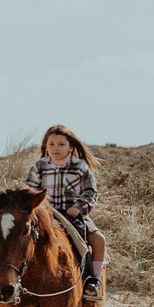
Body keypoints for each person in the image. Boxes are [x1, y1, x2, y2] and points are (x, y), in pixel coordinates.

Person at [27, 124, 107, 298]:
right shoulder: (39, 167)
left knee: (98, 239)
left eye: (61, 144)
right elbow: (30, 192)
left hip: (72, 215)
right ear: (45, 146)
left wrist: (78, 208)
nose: (55, 148)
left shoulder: (80, 167)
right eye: (51, 144)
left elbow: (91, 193)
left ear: (70, 146)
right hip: (45, 215)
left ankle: (93, 279)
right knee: (13, 234)